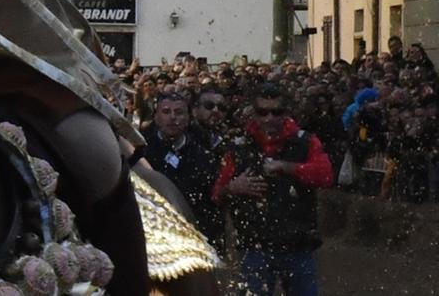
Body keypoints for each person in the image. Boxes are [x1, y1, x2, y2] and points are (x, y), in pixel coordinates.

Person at [213, 83, 333, 296]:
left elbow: (325, 175)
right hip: (254, 245)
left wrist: (287, 167)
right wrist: (233, 187)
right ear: (254, 113)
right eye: (263, 112)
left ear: (286, 112)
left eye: (276, 112)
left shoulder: (305, 142)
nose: (269, 118)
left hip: (298, 244)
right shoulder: (239, 146)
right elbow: (217, 194)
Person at [143, 90, 224, 244]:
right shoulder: (143, 149)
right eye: (166, 112)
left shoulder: (203, 152)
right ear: (156, 117)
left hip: (196, 232)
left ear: (188, 118)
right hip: (156, 232)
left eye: (179, 112)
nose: (173, 117)